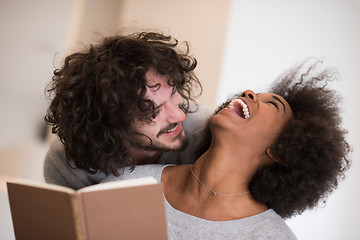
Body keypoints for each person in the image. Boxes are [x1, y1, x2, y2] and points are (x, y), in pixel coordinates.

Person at [104, 60, 351, 239]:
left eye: (273, 106)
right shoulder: (130, 182)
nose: (250, 93)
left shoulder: (269, 237)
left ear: (281, 150)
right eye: (256, 93)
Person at [43, 31, 212, 190]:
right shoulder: (65, 162)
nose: (179, 115)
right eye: (153, 111)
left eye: (174, 93)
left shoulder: (207, 134)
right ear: (111, 124)